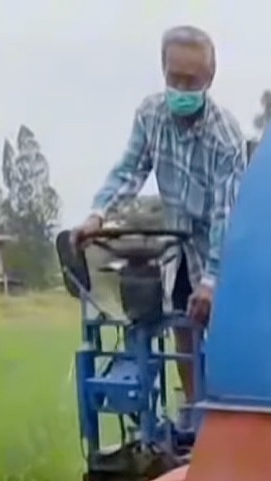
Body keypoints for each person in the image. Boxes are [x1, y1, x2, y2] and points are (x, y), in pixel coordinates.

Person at [74, 25, 249, 402]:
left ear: (209, 78)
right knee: (181, 330)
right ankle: (191, 415)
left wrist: (213, 282)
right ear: (163, 70)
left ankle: (229, 416)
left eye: (192, 81)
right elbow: (130, 170)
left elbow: (225, 212)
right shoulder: (151, 115)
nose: (183, 90)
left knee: (225, 334)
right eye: (175, 79)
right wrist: (98, 215)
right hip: (177, 241)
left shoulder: (225, 137)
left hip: (220, 249)